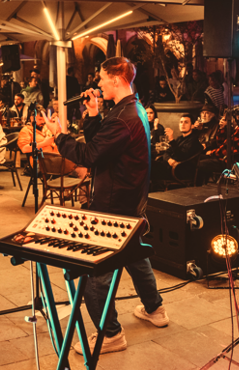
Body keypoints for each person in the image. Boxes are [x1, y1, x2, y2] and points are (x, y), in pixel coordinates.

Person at [44, 57, 168, 354]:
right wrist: (92, 113)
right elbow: (104, 146)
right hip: (130, 200)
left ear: (116, 79)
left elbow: (90, 155)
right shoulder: (131, 109)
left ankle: (110, 333)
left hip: (114, 205)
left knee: (95, 272)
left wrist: (59, 135)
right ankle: (155, 309)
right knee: (135, 256)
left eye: (101, 78)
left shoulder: (123, 118)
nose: (98, 84)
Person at [151, 113, 203, 185]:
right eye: (181, 122)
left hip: (178, 170)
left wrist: (172, 140)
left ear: (192, 126)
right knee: (146, 162)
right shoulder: (179, 138)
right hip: (168, 166)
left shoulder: (193, 140)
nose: (183, 124)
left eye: (186, 122)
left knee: (147, 165)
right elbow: (166, 152)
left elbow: (181, 156)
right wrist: (169, 159)